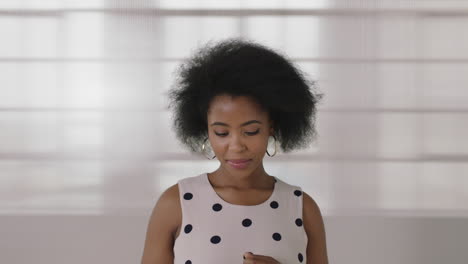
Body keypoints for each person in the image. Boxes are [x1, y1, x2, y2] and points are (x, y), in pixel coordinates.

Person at [141, 38, 328, 264]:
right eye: (221, 133)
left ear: (272, 127)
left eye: (251, 131)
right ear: (205, 130)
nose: (237, 146)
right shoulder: (176, 203)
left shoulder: (301, 207)